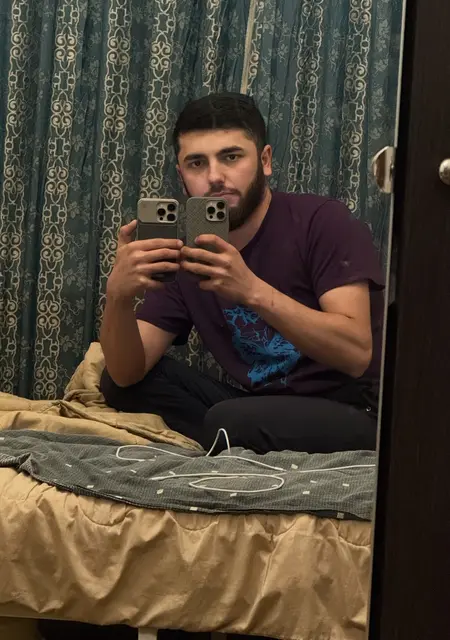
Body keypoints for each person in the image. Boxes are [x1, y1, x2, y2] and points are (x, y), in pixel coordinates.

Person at [100, 92, 385, 454]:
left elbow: (356, 354)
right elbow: (128, 372)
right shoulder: (190, 254)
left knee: (230, 421)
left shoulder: (323, 222)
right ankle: (232, 439)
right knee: (115, 382)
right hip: (259, 406)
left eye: (231, 157)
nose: (215, 177)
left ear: (264, 161)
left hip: (353, 408)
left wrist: (250, 289)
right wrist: (118, 297)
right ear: (182, 176)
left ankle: (228, 438)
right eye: (197, 163)